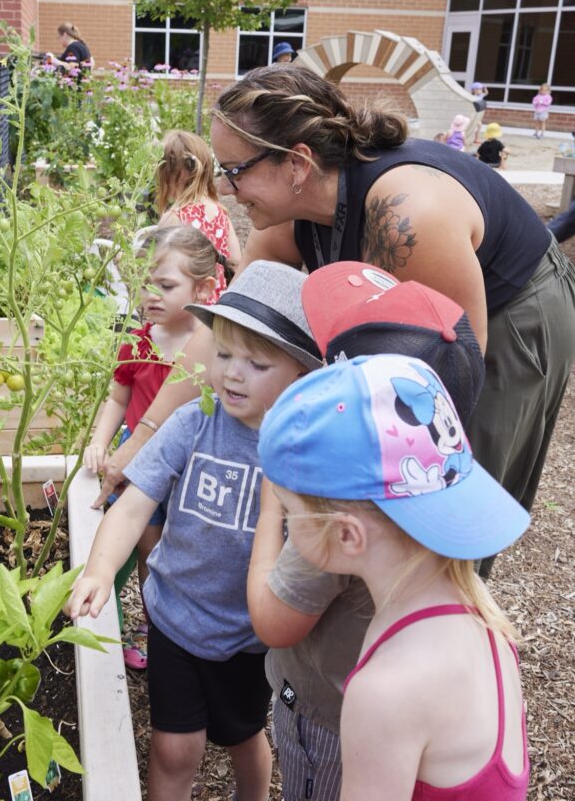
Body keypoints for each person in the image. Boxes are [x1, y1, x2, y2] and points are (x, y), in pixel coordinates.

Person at [207, 62, 575, 579]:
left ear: (296, 162)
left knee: (444, 475)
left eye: (234, 170)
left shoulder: (407, 217)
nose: (226, 190)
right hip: (440, 299)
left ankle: (441, 620)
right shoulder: (290, 214)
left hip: (510, 306)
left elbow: (451, 380)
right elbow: (233, 326)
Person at [68, 261, 323, 801]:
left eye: (256, 363)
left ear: (302, 376)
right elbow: (135, 505)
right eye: (223, 354)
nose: (232, 373)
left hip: (249, 637)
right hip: (175, 619)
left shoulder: (303, 455)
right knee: (173, 749)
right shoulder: (193, 423)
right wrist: (98, 568)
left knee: (245, 736)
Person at [248, 260, 486, 801]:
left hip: (326, 726)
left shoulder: (336, 514)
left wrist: (270, 510)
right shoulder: (440, 469)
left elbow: (273, 622)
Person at [258, 354, 530, 800]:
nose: (286, 522)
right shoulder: (480, 612)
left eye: (290, 512)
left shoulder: (384, 691)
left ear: (347, 535)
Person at [83, 226, 231, 670]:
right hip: (138, 456)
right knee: (148, 545)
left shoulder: (212, 347)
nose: (151, 295)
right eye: (144, 284)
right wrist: (97, 441)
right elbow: (117, 398)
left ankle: (186, 622)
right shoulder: (139, 340)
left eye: (165, 286)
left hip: (191, 458)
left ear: (204, 288)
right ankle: (148, 626)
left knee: (185, 546)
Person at [156, 130, 241, 300]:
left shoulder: (174, 216)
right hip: (216, 303)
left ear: (166, 174)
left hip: (186, 305)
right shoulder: (219, 211)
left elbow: (157, 264)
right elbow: (236, 260)